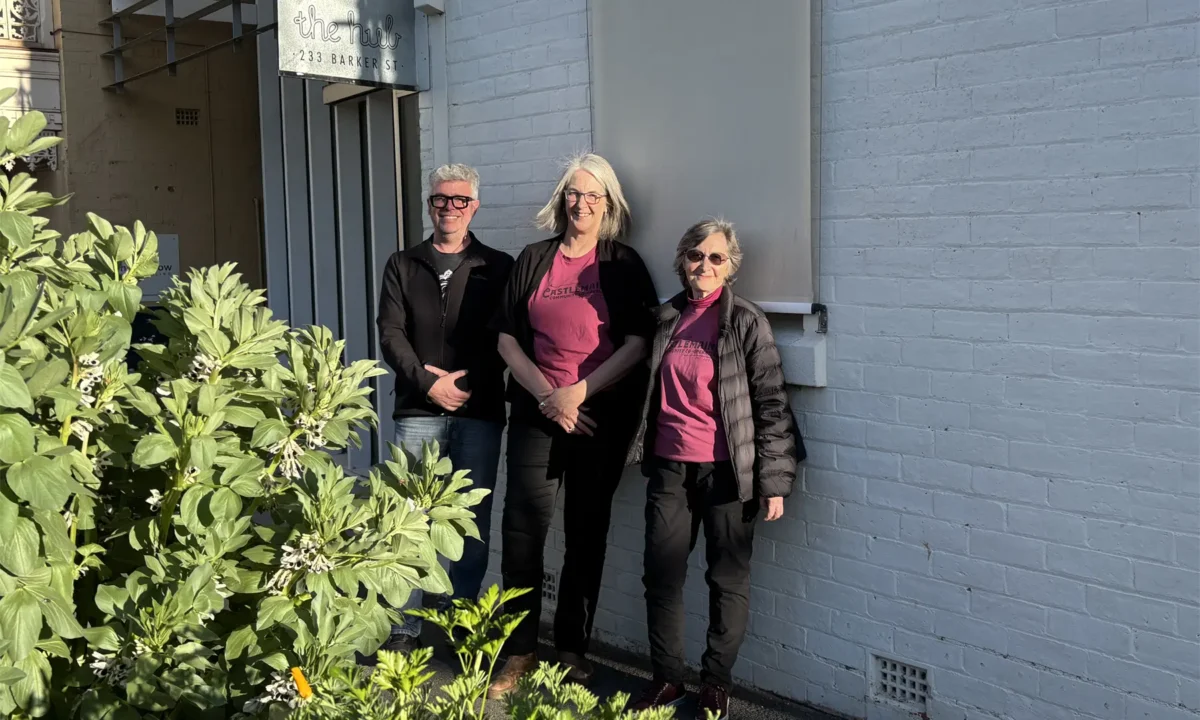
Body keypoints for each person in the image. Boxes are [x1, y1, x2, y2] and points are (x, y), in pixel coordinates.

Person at [486, 153, 658, 698]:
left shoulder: (623, 264)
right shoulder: (535, 258)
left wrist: (578, 392)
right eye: (573, 193)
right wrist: (547, 395)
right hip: (539, 414)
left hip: (597, 418)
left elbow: (637, 344)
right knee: (521, 532)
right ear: (562, 200)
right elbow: (506, 337)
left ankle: (571, 649)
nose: (580, 203)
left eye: (592, 195)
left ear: (608, 204)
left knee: (587, 534)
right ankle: (519, 651)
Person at [625, 218, 804, 719]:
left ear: (730, 267)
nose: (704, 265)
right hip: (669, 468)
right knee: (661, 576)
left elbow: (771, 404)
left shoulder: (746, 321)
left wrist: (774, 483)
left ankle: (715, 686)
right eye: (696, 256)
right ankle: (667, 680)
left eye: (716, 257)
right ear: (683, 261)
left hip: (729, 473)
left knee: (727, 580)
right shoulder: (665, 317)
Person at [376, 163, 514, 653]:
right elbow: (390, 331)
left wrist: (466, 383)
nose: (449, 207)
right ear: (429, 204)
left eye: (459, 200)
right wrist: (425, 383)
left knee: (471, 520)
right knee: (405, 516)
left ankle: (459, 623)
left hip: (478, 412)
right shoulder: (403, 263)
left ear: (474, 206)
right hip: (417, 409)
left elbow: (507, 335)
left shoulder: (498, 266)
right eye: (440, 199)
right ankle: (401, 627)